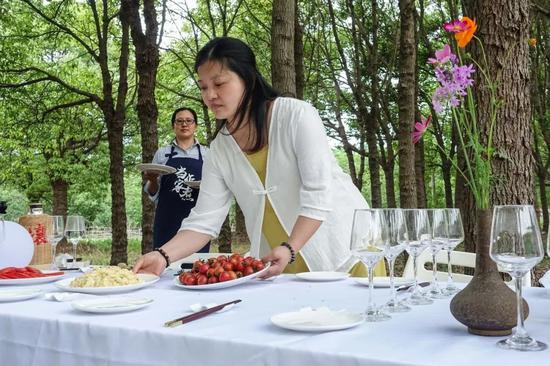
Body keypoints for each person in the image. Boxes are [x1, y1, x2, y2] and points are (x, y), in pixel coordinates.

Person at [134, 37, 385, 278]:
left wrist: (290, 247)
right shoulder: (220, 149)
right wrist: (162, 256)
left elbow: (319, 193)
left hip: (346, 250)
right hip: (279, 263)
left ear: (248, 79)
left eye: (219, 84)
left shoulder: (296, 116)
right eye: (203, 87)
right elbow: (204, 219)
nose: (210, 95)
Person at [143, 107, 209, 250]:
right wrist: (153, 179)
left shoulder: (207, 154)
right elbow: (153, 193)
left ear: (195, 126)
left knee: (196, 266)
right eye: (179, 121)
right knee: (164, 263)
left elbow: (214, 188)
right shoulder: (162, 154)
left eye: (188, 121)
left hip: (196, 222)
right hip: (167, 221)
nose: (184, 124)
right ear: (174, 126)